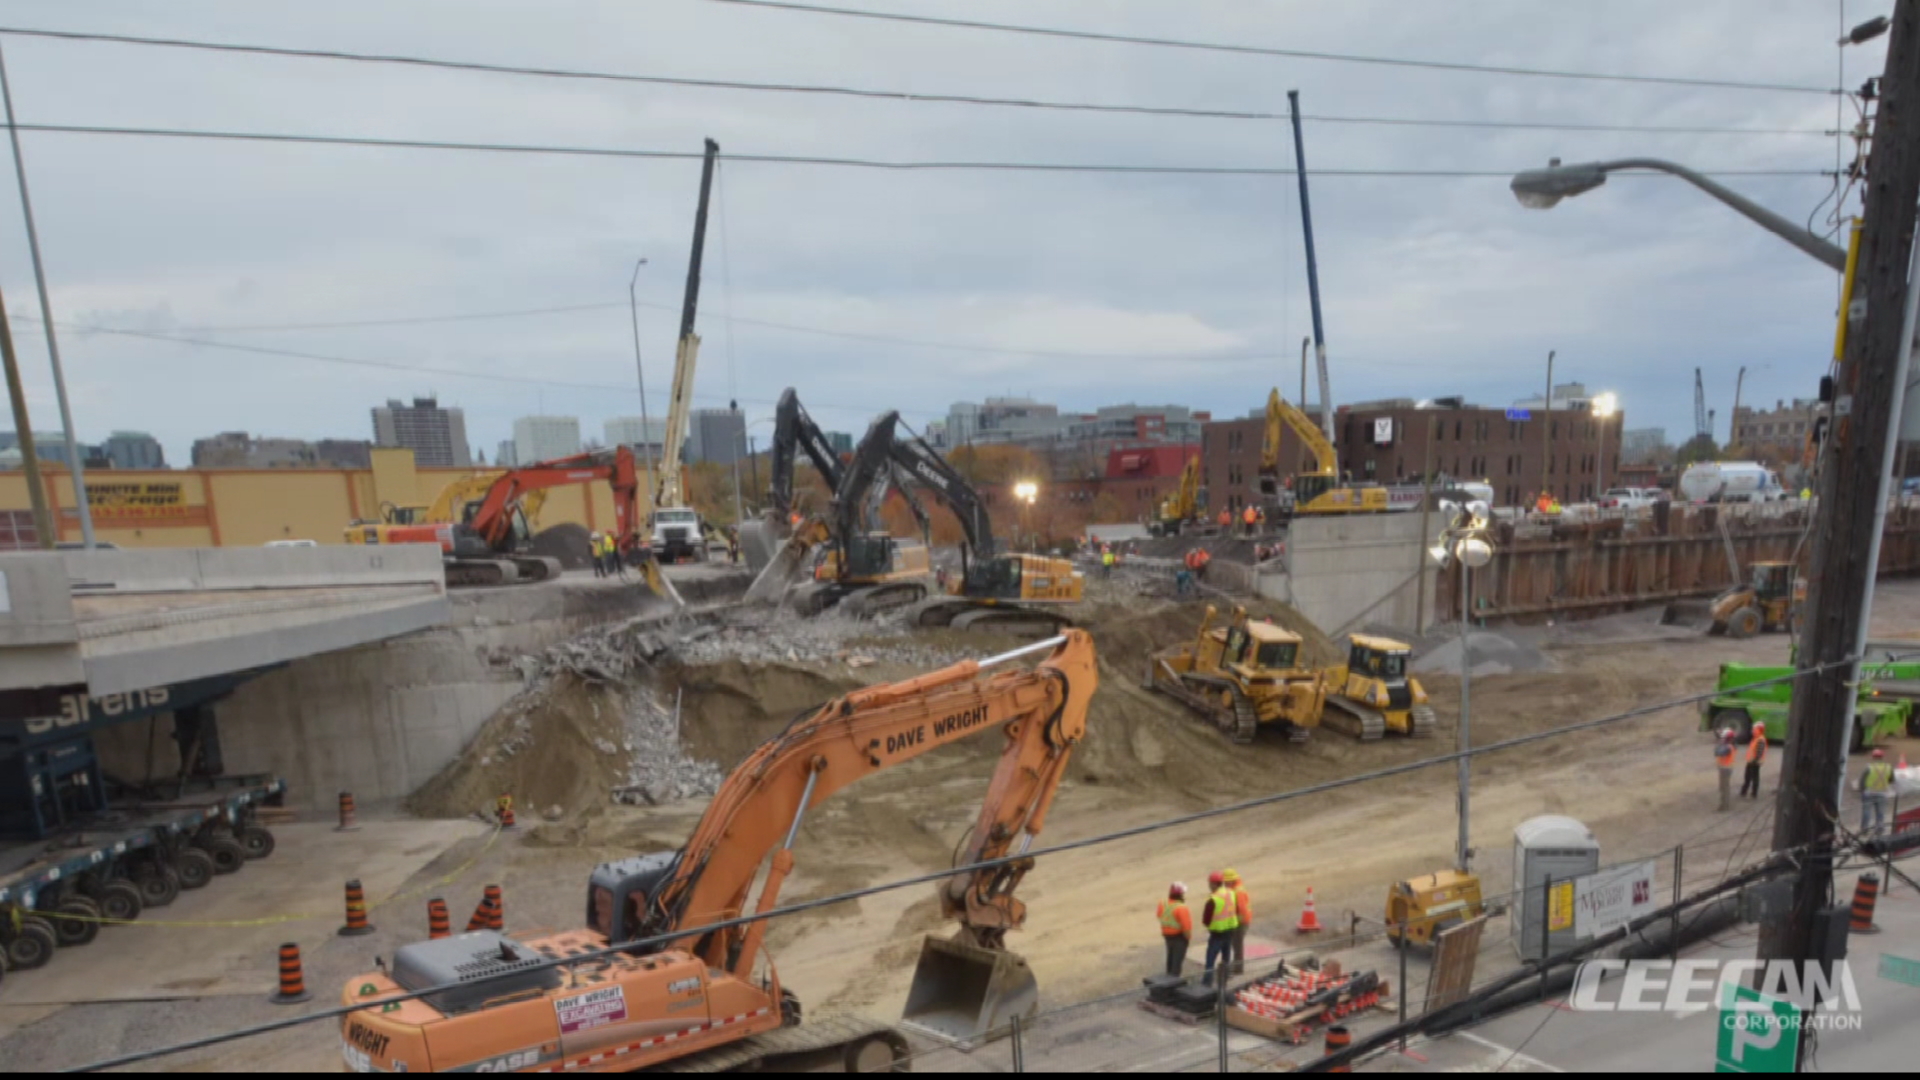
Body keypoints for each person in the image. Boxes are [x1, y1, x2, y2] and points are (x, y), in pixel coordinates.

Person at [1201, 871, 1239, 988]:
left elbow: (1206, 919)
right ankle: (1224, 978)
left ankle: (1207, 982)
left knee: (1210, 958)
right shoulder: (1231, 893)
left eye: (1209, 884)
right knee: (1226, 955)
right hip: (1230, 929)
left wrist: (1210, 925)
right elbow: (1235, 909)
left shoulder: (1214, 899)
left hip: (1217, 932)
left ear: (1213, 884)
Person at [1156, 882, 1193, 979]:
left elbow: (1159, 915)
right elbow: (1186, 927)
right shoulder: (1182, 908)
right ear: (1180, 894)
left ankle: (1168, 979)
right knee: (1177, 962)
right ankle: (1174, 983)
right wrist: (1187, 938)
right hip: (1179, 937)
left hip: (1167, 936)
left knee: (1170, 959)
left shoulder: (1162, 903)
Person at [1861, 748, 1896, 837]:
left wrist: (1862, 791)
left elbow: (1862, 781)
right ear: (1882, 757)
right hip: (1882, 793)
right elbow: (1892, 780)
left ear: (1873, 757)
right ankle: (1879, 829)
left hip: (1869, 793)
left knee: (1866, 812)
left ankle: (1864, 830)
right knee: (1880, 812)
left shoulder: (1869, 767)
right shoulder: (1888, 767)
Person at [1223, 869, 1251, 977]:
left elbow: (1242, 909)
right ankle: (1237, 966)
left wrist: (1236, 922)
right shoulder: (1235, 889)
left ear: (1232, 880)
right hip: (1239, 922)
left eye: (1227, 881)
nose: (1225, 884)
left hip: (1240, 923)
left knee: (1237, 946)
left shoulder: (1237, 892)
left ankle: (1238, 969)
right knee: (1236, 945)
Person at [1741, 721, 1767, 799]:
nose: (1753, 731)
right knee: (1748, 777)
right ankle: (1745, 791)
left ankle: (1753, 793)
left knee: (1753, 777)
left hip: (1754, 762)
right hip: (1751, 761)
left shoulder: (1760, 740)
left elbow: (1759, 752)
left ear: (1759, 730)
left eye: (1754, 729)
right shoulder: (1756, 738)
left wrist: (1755, 760)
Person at [1715, 729, 1736, 812]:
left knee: (1724, 788)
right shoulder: (1730, 745)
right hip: (1726, 768)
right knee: (1724, 787)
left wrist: (1720, 742)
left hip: (1725, 769)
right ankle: (1724, 805)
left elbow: (1717, 752)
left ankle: (1724, 806)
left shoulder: (1727, 747)